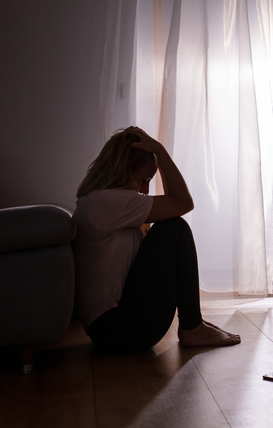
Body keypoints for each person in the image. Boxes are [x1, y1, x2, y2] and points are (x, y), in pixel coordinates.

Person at [72, 126, 240, 353]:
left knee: (169, 225)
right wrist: (160, 151)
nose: (146, 189)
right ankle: (192, 326)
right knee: (174, 228)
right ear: (123, 171)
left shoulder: (97, 202)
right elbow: (182, 203)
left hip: (110, 330)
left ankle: (194, 324)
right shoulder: (107, 203)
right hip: (116, 330)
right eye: (144, 179)